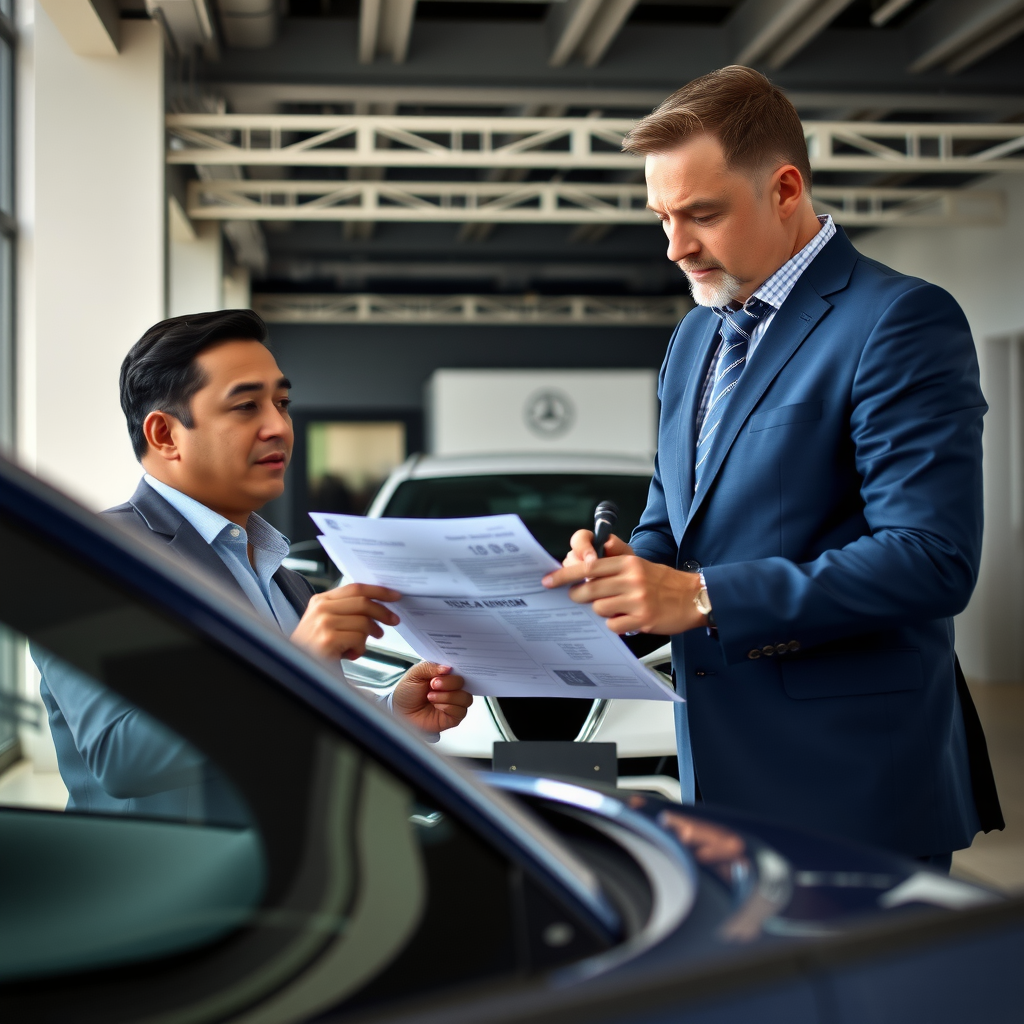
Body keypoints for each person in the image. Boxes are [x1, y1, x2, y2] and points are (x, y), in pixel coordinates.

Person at [543, 66, 1002, 869]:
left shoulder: (899, 319)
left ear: (786, 188)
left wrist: (701, 595)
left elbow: (933, 558)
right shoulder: (694, 338)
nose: (675, 246)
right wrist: (625, 571)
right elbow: (671, 519)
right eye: (661, 217)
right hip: (714, 776)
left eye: (701, 215)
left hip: (852, 785)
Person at [37, 310, 471, 819]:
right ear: (164, 435)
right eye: (246, 406)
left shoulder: (286, 581)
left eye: (282, 403)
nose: (279, 427)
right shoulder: (92, 556)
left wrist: (394, 713)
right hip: (163, 886)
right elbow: (122, 756)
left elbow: (296, 722)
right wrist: (296, 663)